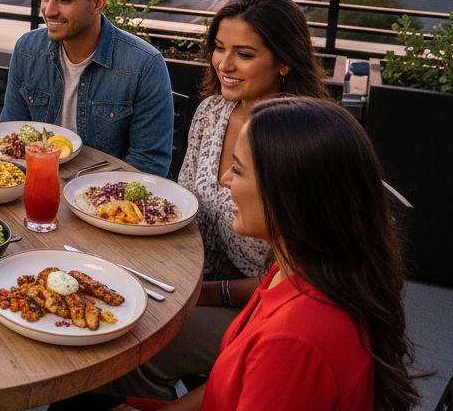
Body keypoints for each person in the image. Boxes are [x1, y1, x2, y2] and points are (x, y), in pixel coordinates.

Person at [114, 0, 330, 399]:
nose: (224, 64)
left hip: (260, 301)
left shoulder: (298, 144)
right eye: (218, 48)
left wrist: (205, 295)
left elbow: (303, 276)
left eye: (244, 54)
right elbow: (183, 202)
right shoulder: (213, 110)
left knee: (136, 345)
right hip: (198, 270)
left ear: (285, 60)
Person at [161, 96, 419, 410]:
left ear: (288, 194)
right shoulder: (294, 269)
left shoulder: (294, 341)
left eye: (238, 170)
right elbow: (233, 382)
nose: (225, 180)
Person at [0, 0, 173, 175]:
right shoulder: (27, 50)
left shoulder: (144, 66)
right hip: (34, 183)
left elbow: (149, 164)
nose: (49, 10)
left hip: (102, 201)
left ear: (98, 3)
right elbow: (10, 134)